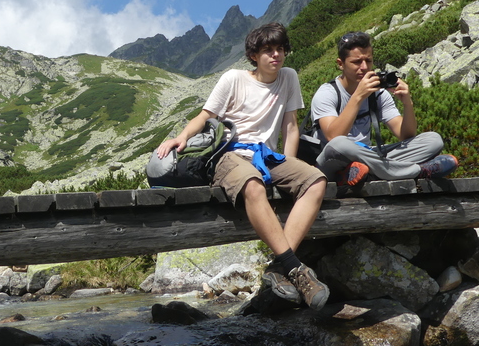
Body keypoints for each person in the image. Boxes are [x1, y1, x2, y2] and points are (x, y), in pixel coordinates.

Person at [157, 22, 330, 311]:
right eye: (268, 50)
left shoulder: (289, 77)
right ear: (253, 55)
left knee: (315, 180)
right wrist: (182, 136)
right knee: (252, 184)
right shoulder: (233, 79)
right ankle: (294, 268)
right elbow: (205, 116)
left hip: (267, 154)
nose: (276, 55)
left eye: (280, 49)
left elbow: (290, 126)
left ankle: (279, 268)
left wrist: (291, 166)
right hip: (230, 153)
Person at [310, 31, 458, 186]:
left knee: (433, 140)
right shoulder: (327, 93)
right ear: (341, 64)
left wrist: (407, 103)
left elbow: (405, 135)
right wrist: (358, 96)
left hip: (367, 156)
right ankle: (416, 170)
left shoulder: (378, 94)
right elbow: (333, 137)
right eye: (357, 62)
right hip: (331, 162)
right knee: (340, 144)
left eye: (368, 61)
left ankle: (364, 173)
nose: (364, 67)